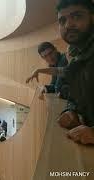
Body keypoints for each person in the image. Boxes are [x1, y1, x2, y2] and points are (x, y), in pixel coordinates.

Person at [26, 0, 94, 144]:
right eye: (62, 20)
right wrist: (72, 111)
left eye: (77, 16)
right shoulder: (79, 57)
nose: (68, 25)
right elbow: (70, 82)